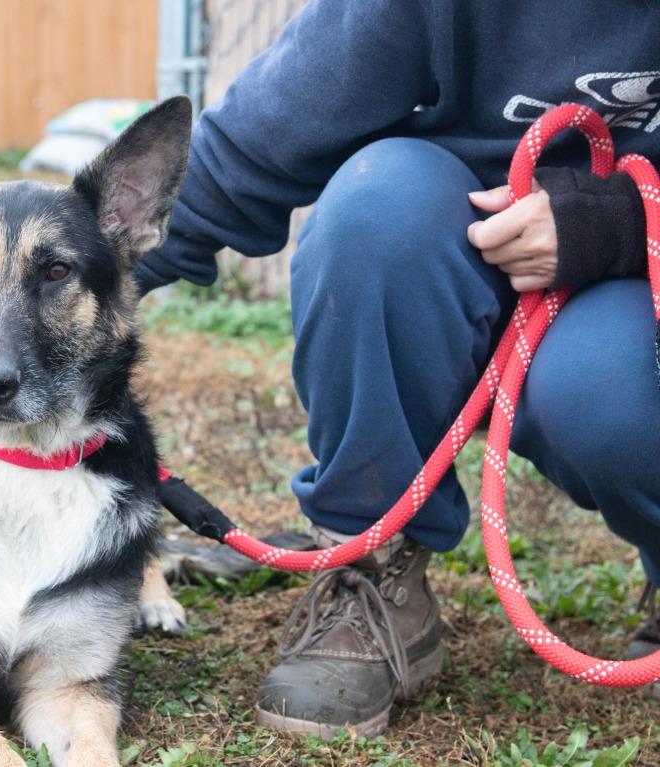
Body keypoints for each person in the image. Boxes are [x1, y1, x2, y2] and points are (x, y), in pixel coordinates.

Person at [136, 1, 660, 737]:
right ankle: (372, 565)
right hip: (450, 243)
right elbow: (251, 147)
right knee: (376, 210)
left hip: (632, 277)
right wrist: (65, 286)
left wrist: (614, 224)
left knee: (603, 390)